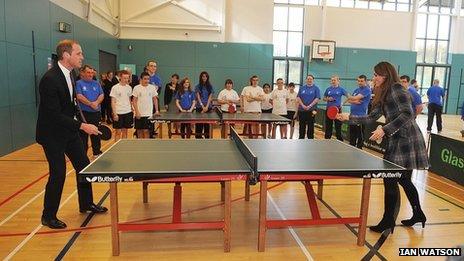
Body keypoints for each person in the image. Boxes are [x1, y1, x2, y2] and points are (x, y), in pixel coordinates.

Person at [337, 61, 428, 233]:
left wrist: (385, 130)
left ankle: (388, 220)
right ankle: (418, 214)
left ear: (385, 75)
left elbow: (408, 114)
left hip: (407, 139)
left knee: (391, 178)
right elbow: (371, 117)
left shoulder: (397, 89)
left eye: (376, 75)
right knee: (403, 179)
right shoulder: (382, 92)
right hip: (397, 137)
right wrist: (348, 117)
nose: (374, 78)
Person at [36, 39, 107, 229]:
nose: (82, 57)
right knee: (58, 173)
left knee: (84, 166)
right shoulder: (50, 79)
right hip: (52, 134)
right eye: (79, 53)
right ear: (66, 55)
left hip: (68, 131)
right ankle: (48, 215)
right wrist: (83, 127)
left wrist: (84, 122)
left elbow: (71, 106)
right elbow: (54, 115)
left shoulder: (71, 74)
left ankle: (86, 203)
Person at [75, 64, 104, 157]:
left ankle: (96, 152)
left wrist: (96, 103)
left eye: (92, 72)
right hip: (84, 114)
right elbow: (79, 96)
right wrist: (91, 104)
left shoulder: (96, 83)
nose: (90, 74)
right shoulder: (79, 83)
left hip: (96, 113)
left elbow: (101, 95)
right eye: (88, 72)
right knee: (83, 136)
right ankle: (83, 155)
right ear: (82, 73)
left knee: (96, 133)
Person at [344, 75, 371, 149]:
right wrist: (354, 101)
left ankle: (359, 148)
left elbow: (353, 98)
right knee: (352, 133)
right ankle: (351, 147)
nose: (360, 82)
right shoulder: (356, 90)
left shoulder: (367, 90)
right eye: (358, 81)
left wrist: (350, 97)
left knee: (360, 134)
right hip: (352, 115)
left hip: (361, 116)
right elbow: (350, 100)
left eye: (361, 81)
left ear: (365, 81)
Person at [133, 72, 160, 139]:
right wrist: (137, 112)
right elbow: (134, 101)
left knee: (146, 131)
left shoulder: (152, 87)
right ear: (141, 79)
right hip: (139, 113)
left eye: (148, 79)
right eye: (145, 79)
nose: (147, 81)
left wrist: (156, 110)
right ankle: (140, 146)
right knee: (139, 131)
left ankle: (146, 146)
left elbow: (155, 99)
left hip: (148, 114)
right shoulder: (136, 88)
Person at [323, 75, 349, 141]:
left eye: (334, 80)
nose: (333, 81)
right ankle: (327, 139)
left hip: (337, 110)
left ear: (338, 81)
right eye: (332, 80)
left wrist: (343, 103)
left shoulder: (341, 89)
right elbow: (324, 98)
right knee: (328, 126)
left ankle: (339, 140)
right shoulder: (328, 89)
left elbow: (349, 96)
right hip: (329, 110)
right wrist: (328, 99)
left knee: (338, 126)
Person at [110, 70, 133, 142]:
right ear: (120, 77)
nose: (126, 80)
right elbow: (113, 101)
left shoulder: (129, 87)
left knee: (125, 131)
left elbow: (129, 99)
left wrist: (131, 108)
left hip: (127, 112)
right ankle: (116, 148)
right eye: (124, 78)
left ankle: (124, 147)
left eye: (127, 78)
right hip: (118, 112)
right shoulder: (115, 87)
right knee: (118, 132)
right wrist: (115, 113)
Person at [297, 75, 321, 139]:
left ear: (313, 80)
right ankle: (301, 139)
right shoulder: (302, 88)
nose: (309, 80)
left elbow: (317, 98)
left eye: (311, 79)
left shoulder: (316, 88)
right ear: (306, 80)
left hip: (311, 111)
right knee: (302, 126)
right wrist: (302, 105)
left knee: (310, 127)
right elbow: (298, 97)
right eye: (308, 79)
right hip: (302, 110)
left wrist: (309, 106)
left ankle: (310, 141)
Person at [194, 71, 214, 139]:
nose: (204, 77)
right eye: (203, 76)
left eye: (205, 76)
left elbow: (210, 97)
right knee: (199, 125)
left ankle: (207, 138)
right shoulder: (197, 86)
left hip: (208, 108)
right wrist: (202, 106)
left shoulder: (210, 86)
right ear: (201, 77)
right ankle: (198, 138)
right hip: (199, 107)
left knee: (207, 125)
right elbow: (198, 97)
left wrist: (206, 107)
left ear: (207, 77)